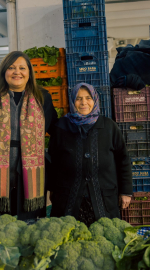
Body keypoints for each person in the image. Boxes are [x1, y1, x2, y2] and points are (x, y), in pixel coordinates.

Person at [0, 51, 58, 221]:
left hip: (31, 171)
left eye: (22, 68)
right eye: (11, 67)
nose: (17, 72)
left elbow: (56, 130)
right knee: (1, 223)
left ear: (29, 72)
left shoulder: (42, 97)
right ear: (3, 71)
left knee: (30, 224)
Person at [47, 83, 132, 226]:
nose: (83, 102)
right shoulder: (61, 127)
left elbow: (123, 160)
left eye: (88, 98)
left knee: (104, 237)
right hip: (68, 199)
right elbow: (53, 161)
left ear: (95, 100)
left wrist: (126, 191)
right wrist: (52, 189)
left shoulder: (109, 126)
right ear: (72, 101)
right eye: (78, 98)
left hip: (103, 199)